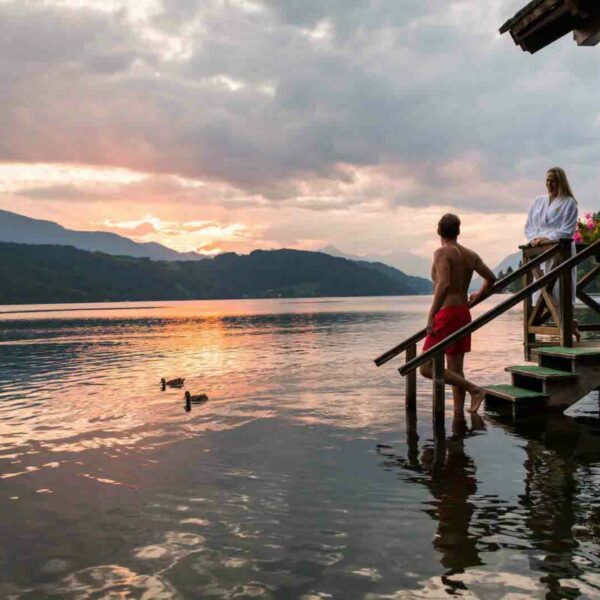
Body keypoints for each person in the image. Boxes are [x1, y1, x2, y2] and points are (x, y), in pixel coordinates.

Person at [419, 214, 496, 414]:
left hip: (447, 314)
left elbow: (443, 285)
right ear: (458, 231)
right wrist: (478, 295)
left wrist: (431, 315)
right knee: (455, 371)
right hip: (463, 313)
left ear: (438, 231)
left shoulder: (442, 253)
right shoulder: (470, 254)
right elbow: (491, 278)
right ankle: (458, 416)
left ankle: (474, 390)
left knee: (425, 367)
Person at [524, 167, 579, 341]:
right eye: (547, 180)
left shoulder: (569, 202)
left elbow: (567, 231)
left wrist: (545, 238)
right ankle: (571, 324)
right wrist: (534, 239)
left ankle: (568, 327)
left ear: (561, 182)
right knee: (543, 295)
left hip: (560, 253)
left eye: (553, 180)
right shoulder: (538, 202)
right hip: (540, 255)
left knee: (560, 292)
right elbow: (529, 227)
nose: (549, 184)